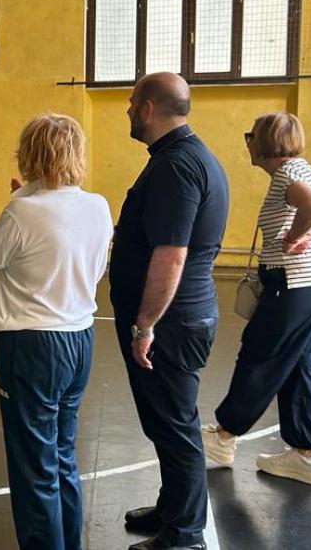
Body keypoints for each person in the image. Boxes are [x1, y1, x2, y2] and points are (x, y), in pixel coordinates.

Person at [0, 113, 112, 550]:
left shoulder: (22, 211)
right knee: (61, 456)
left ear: (30, 154)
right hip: (80, 338)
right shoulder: (97, 206)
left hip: (31, 345)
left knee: (32, 466)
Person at [109, 73, 229, 550]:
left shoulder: (177, 166)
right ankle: (173, 508)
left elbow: (171, 254)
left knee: (175, 426)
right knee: (167, 422)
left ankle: (183, 535)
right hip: (179, 319)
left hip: (171, 323)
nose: (126, 111)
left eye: (131, 102)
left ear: (147, 109)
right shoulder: (182, 158)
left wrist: (145, 325)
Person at [200, 112, 311, 486]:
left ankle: (225, 436)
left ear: (264, 142)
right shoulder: (307, 170)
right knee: (304, 364)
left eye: (251, 136)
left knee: (261, 356)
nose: (247, 142)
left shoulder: (287, 175)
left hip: (294, 286)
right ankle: (306, 455)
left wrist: (296, 236)